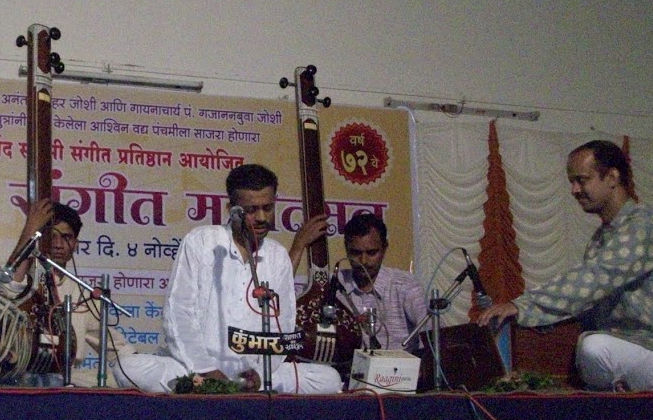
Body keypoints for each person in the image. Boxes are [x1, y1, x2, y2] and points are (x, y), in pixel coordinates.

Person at [113, 164, 342, 394]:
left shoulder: (277, 256)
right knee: (129, 368)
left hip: (250, 375)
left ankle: (234, 389)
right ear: (232, 209)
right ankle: (211, 385)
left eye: (268, 208)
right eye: (251, 210)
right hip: (194, 368)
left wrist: (261, 375)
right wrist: (206, 369)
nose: (262, 217)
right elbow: (179, 314)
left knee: (328, 379)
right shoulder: (202, 242)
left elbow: (280, 325)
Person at [478, 140, 653, 392]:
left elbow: (592, 281)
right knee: (587, 347)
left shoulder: (643, 226)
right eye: (572, 181)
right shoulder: (603, 236)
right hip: (627, 347)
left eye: (582, 180)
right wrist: (537, 324)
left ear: (612, 177)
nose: (574, 190)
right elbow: (588, 302)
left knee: (594, 348)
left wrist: (522, 306)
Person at [0, 198, 135, 387]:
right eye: (52, 236)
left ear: (75, 244)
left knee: (114, 380)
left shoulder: (82, 293)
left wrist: (148, 369)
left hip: (64, 378)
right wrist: (30, 230)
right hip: (19, 373)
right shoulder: (25, 278)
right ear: (40, 239)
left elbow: (116, 347)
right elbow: (8, 287)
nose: (59, 244)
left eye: (66, 237)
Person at [289, 212, 428, 352]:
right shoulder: (332, 284)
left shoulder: (405, 285)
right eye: (356, 253)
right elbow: (281, 292)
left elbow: (434, 333)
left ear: (384, 248)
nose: (364, 261)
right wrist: (298, 246)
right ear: (346, 249)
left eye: (372, 253)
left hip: (398, 371)